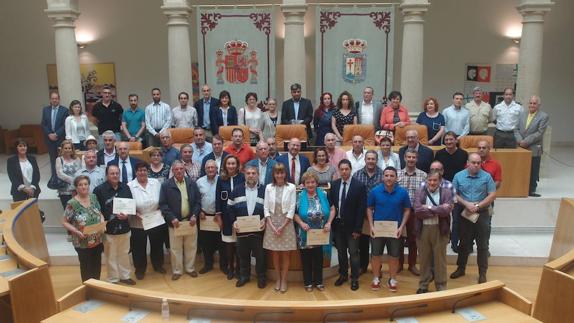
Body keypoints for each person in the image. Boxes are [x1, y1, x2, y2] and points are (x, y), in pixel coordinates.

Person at [450, 153, 496, 284]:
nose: (476, 165)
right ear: (468, 163)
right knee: (464, 243)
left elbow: (492, 194)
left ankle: (482, 273)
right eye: (473, 162)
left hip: (482, 213)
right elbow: (454, 193)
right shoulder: (458, 176)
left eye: (478, 162)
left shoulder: (486, 177)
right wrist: (466, 204)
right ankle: (461, 268)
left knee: (482, 245)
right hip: (465, 213)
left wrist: (478, 205)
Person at [367, 166, 411, 292]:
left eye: (392, 176)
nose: (389, 178)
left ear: (396, 178)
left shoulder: (403, 192)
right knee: (375, 255)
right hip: (378, 230)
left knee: (394, 256)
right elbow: (369, 208)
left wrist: (401, 227)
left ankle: (392, 279)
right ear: (383, 177)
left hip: (395, 230)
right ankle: (376, 278)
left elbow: (407, 210)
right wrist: (371, 226)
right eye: (386, 175)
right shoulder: (375, 191)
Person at [93, 165, 135, 285]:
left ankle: (125, 276)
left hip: (125, 228)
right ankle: (113, 279)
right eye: (112, 173)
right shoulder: (99, 190)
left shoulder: (125, 187)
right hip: (109, 229)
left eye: (117, 173)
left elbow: (131, 205)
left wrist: (127, 215)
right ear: (107, 175)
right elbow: (96, 209)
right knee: (110, 256)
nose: (115, 175)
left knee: (124, 253)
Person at [413, 169, 454, 293]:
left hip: (439, 229)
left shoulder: (446, 192)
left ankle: (441, 285)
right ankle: (423, 285)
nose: (432, 183)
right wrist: (438, 210)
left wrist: (429, 208)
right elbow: (418, 211)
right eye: (430, 180)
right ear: (426, 181)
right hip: (423, 229)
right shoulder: (420, 191)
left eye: (435, 180)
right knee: (424, 258)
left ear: (440, 181)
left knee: (440, 259)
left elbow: (446, 211)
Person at [160, 160, 201, 280]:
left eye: (181, 169)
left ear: (184, 170)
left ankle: (190, 268)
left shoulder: (191, 183)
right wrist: (171, 218)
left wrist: (194, 215)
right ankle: (177, 271)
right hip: (175, 223)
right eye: (176, 169)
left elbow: (198, 202)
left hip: (190, 221)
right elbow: (163, 205)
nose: (179, 171)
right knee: (175, 248)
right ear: (172, 171)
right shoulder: (166, 185)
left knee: (191, 246)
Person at [294, 171, 334, 292]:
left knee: (318, 259)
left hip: (321, 234)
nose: (310, 185)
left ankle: (319, 282)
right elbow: (294, 214)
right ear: (304, 184)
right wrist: (301, 223)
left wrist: (329, 223)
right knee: (306, 260)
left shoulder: (324, 194)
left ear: (316, 183)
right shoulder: (299, 196)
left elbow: (332, 209)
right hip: (304, 233)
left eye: (312, 182)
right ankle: (307, 283)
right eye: (308, 182)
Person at [228, 166, 267, 288]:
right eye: (248, 173)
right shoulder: (237, 189)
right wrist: (233, 221)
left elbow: (269, 209)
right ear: (245, 175)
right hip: (242, 230)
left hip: (258, 230)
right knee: (243, 255)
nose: (251, 175)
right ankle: (244, 276)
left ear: (258, 174)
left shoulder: (265, 190)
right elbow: (229, 208)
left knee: (260, 256)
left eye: (253, 173)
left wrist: (265, 219)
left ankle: (261, 277)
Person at [330, 160, 366, 291]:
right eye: (342, 169)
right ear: (339, 171)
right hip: (338, 225)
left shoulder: (359, 186)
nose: (344, 171)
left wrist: (358, 228)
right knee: (341, 253)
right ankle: (343, 274)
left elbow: (361, 209)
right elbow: (332, 206)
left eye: (346, 169)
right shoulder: (334, 185)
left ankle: (354, 278)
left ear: (350, 170)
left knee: (353, 253)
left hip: (353, 227)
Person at [128, 161, 167, 280]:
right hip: (137, 222)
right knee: (138, 247)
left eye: (144, 170)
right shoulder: (129, 185)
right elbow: (128, 203)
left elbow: (162, 198)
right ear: (135, 172)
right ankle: (140, 269)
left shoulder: (155, 183)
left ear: (147, 171)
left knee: (157, 244)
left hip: (155, 219)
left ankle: (158, 265)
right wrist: (135, 212)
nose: (142, 172)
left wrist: (161, 209)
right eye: (139, 170)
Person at [62, 175, 105, 282]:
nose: (83, 187)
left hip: (97, 239)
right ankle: (88, 288)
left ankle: (97, 285)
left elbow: (99, 213)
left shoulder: (94, 197)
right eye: (80, 185)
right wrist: (76, 231)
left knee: (97, 264)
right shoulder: (72, 203)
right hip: (82, 241)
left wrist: (102, 223)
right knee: (86, 266)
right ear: (76, 188)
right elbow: (64, 222)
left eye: (86, 184)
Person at [263, 163, 297, 293]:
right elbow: (266, 207)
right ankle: (278, 278)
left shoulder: (291, 187)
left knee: (286, 253)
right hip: (272, 224)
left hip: (286, 224)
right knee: (275, 253)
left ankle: (284, 279)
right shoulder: (268, 187)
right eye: (277, 173)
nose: (279, 175)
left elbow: (292, 208)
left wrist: (282, 226)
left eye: (281, 173)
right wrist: (271, 225)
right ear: (274, 174)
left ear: (285, 174)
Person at [353, 150, 384, 274]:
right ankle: (363, 266)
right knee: (363, 243)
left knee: (378, 244)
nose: (371, 161)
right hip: (362, 215)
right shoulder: (357, 175)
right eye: (368, 159)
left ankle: (378, 268)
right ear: (365, 160)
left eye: (373, 159)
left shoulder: (383, 175)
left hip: (379, 214)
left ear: (376, 160)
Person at [397, 149, 427, 276]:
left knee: (413, 240)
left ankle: (412, 264)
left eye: (413, 157)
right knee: (398, 239)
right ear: (404, 158)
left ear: (417, 159)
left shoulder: (423, 175)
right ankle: (399, 264)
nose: (410, 159)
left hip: (415, 213)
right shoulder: (397, 174)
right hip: (398, 212)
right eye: (408, 157)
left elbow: (426, 195)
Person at [215, 155, 245, 280]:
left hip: (240, 216)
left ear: (237, 165)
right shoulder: (221, 179)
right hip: (226, 217)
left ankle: (238, 269)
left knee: (239, 244)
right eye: (229, 164)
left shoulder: (242, 177)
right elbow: (217, 198)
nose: (231, 166)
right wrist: (219, 216)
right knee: (228, 244)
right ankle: (230, 269)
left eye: (233, 164)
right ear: (225, 165)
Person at [516, 95, 549, 197]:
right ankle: (520, 188)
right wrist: (520, 141)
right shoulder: (522, 114)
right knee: (521, 168)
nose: (532, 105)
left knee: (533, 170)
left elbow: (539, 133)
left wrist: (526, 141)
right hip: (521, 146)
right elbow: (515, 129)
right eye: (530, 103)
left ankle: (532, 190)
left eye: (534, 103)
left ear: (538, 105)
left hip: (534, 147)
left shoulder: (544, 116)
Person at [196, 160, 223, 274]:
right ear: (205, 169)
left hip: (219, 216)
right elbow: (196, 199)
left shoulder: (222, 180)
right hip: (205, 217)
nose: (211, 170)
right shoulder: (199, 182)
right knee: (206, 244)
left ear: (217, 169)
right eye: (208, 168)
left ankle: (224, 266)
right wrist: (200, 211)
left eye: (213, 167)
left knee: (221, 243)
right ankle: (208, 264)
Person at [41, 91, 69, 178]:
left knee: (61, 158)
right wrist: (49, 134)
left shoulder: (64, 110)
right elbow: (43, 124)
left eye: (56, 98)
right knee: (52, 159)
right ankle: (54, 177)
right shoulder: (45, 110)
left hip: (60, 138)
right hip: (49, 139)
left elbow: (65, 125)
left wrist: (56, 134)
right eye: (53, 98)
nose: (54, 100)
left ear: (59, 99)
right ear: (50, 100)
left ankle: (62, 176)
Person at [55, 139, 82, 208]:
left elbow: (80, 173)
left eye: (69, 148)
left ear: (72, 149)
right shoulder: (59, 160)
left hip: (77, 190)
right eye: (65, 148)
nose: (68, 150)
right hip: (65, 191)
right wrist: (73, 181)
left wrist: (76, 184)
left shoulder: (77, 159)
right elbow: (60, 174)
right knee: (68, 212)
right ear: (62, 149)